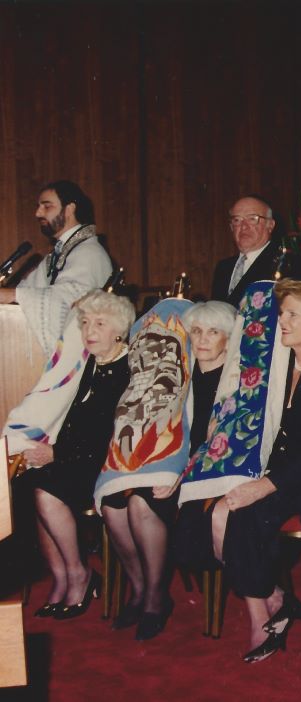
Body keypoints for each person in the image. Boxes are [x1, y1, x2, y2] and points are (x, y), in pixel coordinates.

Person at [213, 279, 301, 662]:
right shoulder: (279, 362)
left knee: (247, 513)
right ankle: (270, 602)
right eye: (280, 312)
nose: (280, 321)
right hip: (274, 467)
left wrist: (265, 486)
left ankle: (266, 610)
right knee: (225, 512)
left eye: (291, 314)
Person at [101, 300, 235, 640]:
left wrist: (181, 474)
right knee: (112, 505)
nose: (202, 340)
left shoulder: (233, 382)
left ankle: (155, 600)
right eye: (196, 332)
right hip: (166, 467)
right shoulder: (181, 375)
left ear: (229, 339)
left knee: (140, 505)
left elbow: (220, 445)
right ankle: (140, 586)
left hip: (205, 476)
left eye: (213, 332)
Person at [20, 290, 134, 619]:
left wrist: (55, 453)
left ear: (119, 330)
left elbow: (107, 434)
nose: (89, 331)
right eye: (84, 323)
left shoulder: (127, 369)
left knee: (46, 492)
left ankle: (79, 574)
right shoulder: (87, 364)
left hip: (108, 461)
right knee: (28, 483)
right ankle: (61, 577)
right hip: (73, 455)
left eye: (99, 323)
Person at [0, 181, 113, 357]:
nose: (38, 213)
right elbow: (28, 290)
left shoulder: (88, 252)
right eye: (38, 207)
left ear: (69, 209)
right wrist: (10, 295)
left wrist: (12, 295)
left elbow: (69, 298)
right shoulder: (59, 254)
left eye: (46, 206)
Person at [211, 195, 280, 308]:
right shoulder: (223, 267)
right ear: (231, 227)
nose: (243, 226)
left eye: (252, 219)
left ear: (270, 225)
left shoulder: (285, 264)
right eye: (237, 220)